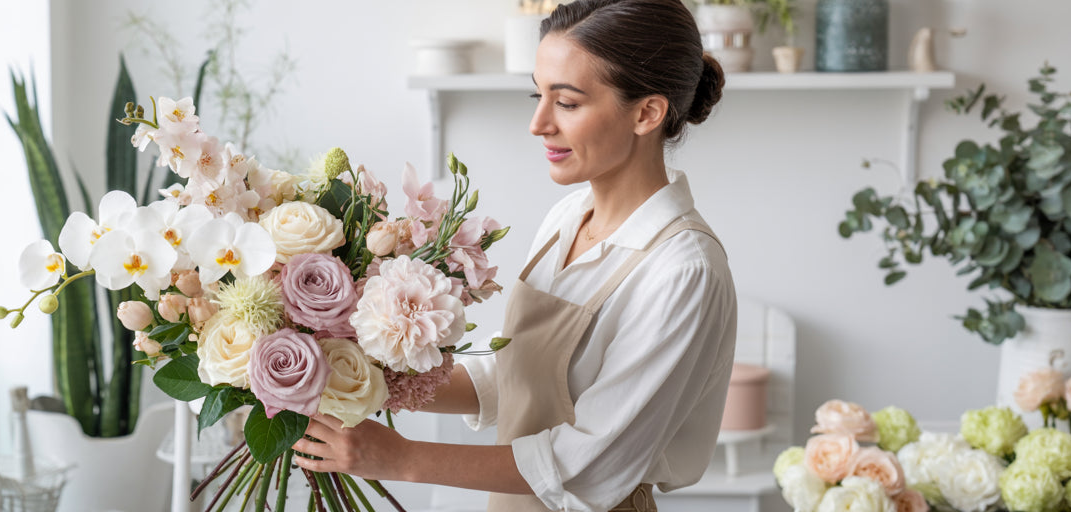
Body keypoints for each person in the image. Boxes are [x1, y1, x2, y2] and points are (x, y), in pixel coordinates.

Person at [289, 0, 739, 510]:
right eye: (537, 95)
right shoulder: (567, 218)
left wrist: (400, 459)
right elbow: (516, 376)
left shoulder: (684, 270)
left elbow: (591, 464)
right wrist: (351, 375)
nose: (538, 123)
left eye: (566, 103)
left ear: (647, 113)